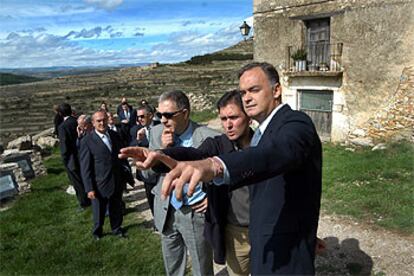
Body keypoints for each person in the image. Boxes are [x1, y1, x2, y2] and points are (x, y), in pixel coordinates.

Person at [131, 62, 323, 275]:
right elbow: (195, 154)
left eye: (254, 90)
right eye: (243, 92)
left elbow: (276, 152)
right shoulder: (255, 134)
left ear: (276, 90)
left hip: (285, 252)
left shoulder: (295, 123)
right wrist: (159, 156)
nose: (247, 97)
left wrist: (217, 165)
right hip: (252, 239)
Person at [161, 90, 253, 275]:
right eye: (223, 118)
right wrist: (161, 155)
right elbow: (194, 154)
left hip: (266, 228)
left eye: (233, 117)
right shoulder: (218, 144)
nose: (228, 124)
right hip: (236, 233)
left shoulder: (264, 145)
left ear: (249, 117)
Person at [142, 90, 219, 276]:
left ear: (185, 113)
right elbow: (148, 176)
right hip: (166, 210)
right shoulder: (156, 133)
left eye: (168, 115)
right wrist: (163, 151)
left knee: (201, 266)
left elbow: (220, 176)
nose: (163, 120)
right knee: (173, 266)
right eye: (159, 115)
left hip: (194, 213)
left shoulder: (209, 137)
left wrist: (212, 199)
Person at [79, 110, 132, 240]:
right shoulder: (87, 141)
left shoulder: (114, 135)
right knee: (99, 209)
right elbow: (85, 167)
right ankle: (97, 231)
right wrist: (89, 188)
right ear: (93, 123)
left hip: (116, 179)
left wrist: (127, 173)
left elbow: (122, 156)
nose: (102, 123)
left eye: (104, 120)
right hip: (99, 182)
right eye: (98, 121)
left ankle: (116, 228)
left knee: (116, 206)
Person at [57, 103, 90, 210]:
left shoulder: (62, 127)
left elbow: (64, 145)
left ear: (60, 113)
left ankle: (84, 202)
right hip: (83, 153)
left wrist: (64, 158)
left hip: (72, 158)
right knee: (85, 177)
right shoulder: (76, 121)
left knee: (77, 181)